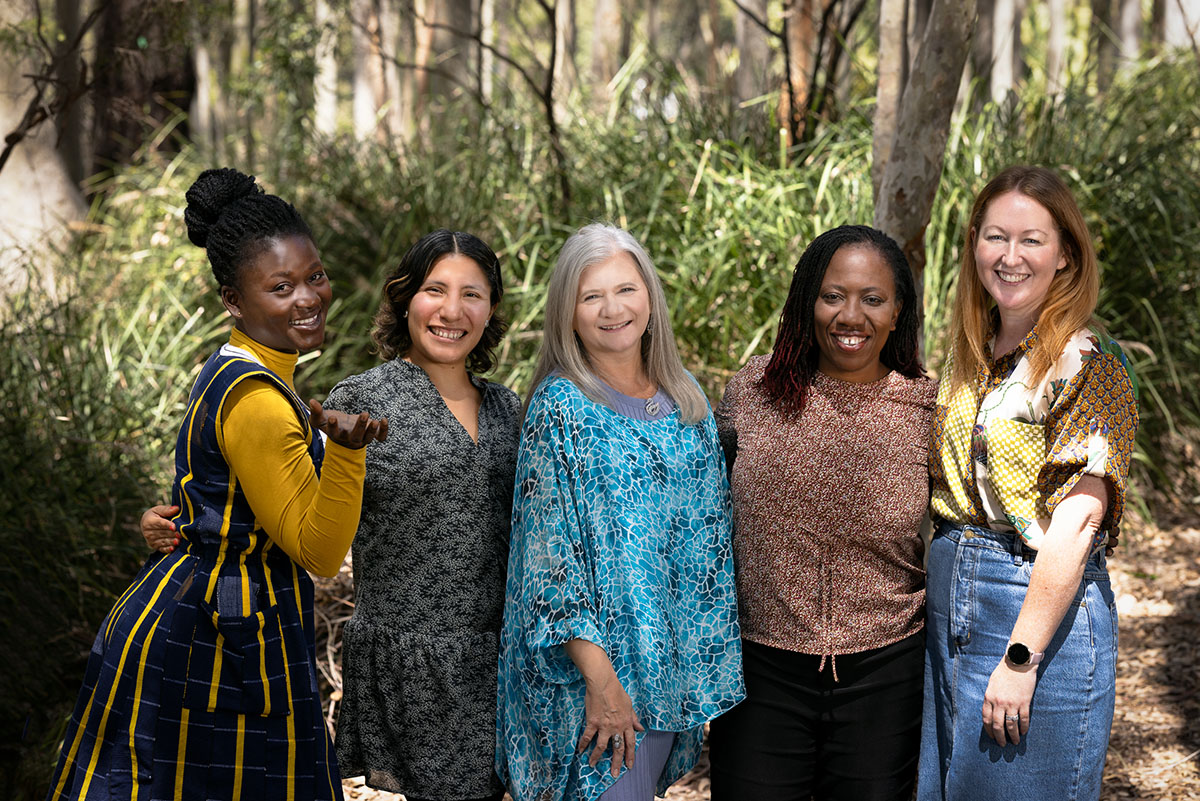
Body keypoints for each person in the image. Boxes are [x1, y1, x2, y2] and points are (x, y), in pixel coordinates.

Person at [144, 230, 522, 801]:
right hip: (415, 662)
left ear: (491, 307)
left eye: (472, 294)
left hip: (504, 657)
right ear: (405, 299)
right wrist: (178, 521)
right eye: (434, 290)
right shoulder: (363, 400)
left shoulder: (509, 407)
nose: (452, 310)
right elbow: (286, 497)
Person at [48, 167, 387, 801]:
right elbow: (316, 550)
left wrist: (177, 516)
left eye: (314, 276)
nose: (309, 298)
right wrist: (346, 453)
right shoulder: (258, 398)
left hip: (205, 619)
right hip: (218, 644)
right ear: (234, 300)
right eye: (280, 286)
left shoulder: (238, 366)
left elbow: (217, 493)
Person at [495, 223, 744, 801]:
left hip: (666, 679)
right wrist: (602, 685)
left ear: (651, 299)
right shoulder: (562, 408)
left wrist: (693, 678)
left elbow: (707, 548)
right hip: (592, 686)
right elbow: (548, 563)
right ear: (570, 314)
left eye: (626, 289)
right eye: (591, 296)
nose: (613, 309)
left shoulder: (686, 401)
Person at [918, 165, 1138, 801]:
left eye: (1032, 240)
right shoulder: (973, 352)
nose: (1010, 256)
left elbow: (1078, 521)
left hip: (1034, 604)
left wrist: (1021, 659)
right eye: (995, 237)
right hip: (950, 591)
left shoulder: (1087, 361)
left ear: (1065, 254)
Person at [706, 225, 935, 801]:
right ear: (807, 301)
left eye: (872, 299)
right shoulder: (754, 390)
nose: (850, 316)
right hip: (762, 672)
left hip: (885, 675)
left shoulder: (926, 407)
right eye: (833, 296)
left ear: (898, 310)